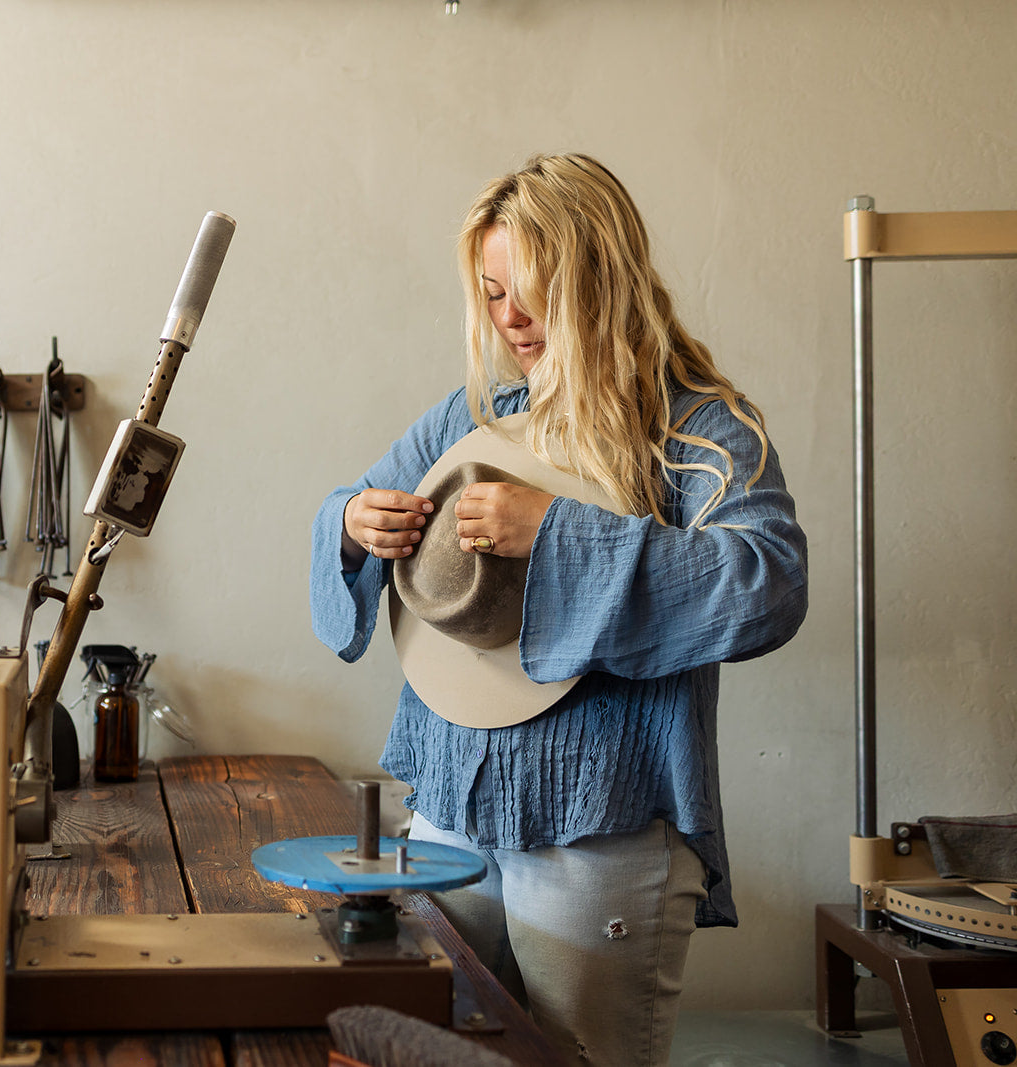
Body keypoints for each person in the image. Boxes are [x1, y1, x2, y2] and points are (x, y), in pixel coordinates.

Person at [308, 153, 808, 1066]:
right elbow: (352, 503)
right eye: (492, 292)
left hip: (605, 826)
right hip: (452, 805)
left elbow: (769, 581)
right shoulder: (471, 418)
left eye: (532, 290)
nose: (510, 318)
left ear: (599, 279)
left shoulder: (697, 432)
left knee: (583, 1057)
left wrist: (560, 533)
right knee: (429, 1045)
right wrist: (350, 521)